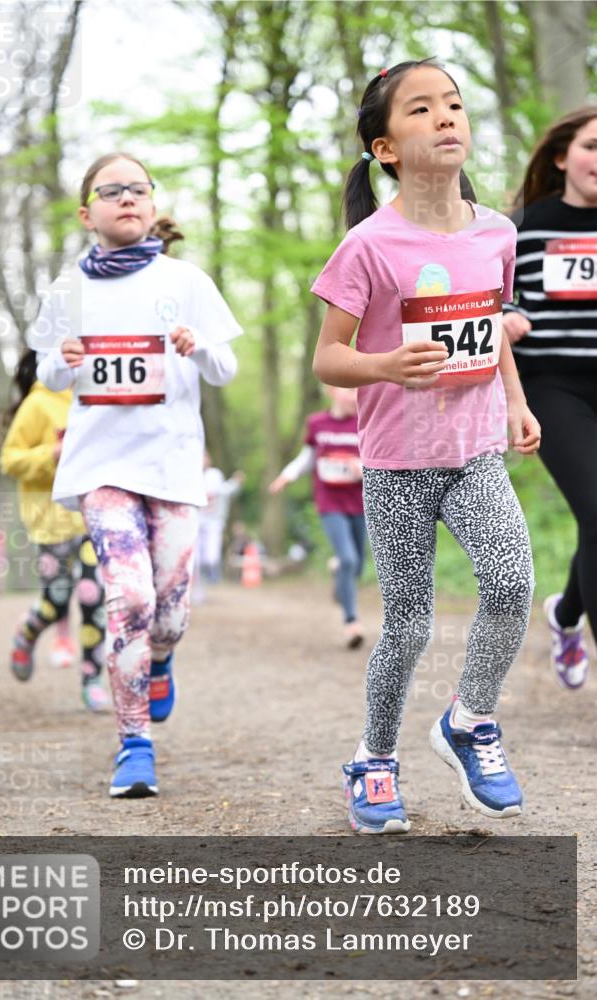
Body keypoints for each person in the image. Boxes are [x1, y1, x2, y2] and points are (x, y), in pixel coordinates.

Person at [311, 59, 540, 834]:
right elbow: (327, 359)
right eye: (419, 109)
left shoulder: (496, 233)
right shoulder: (368, 246)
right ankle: (373, 760)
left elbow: (490, 326)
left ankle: (468, 721)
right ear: (383, 148)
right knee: (407, 626)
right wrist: (385, 366)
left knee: (510, 584)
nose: (444, 117)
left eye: (452, 104)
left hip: (474, 452)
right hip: (396, 464)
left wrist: (515, 402)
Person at [30, 152, 242, 798]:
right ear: (85, 213)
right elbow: (47, 373)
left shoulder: (186, 281)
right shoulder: (67, 289)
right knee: (131, 597)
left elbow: (225, 370)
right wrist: (64, 359)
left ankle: (161, 659)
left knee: (169, 618)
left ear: (151, 204)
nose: (126, 198)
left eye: (138, 189)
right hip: (102, 466)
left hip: (172, 467)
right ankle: (133, 745)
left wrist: (198, 347)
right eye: (110, 190)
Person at [503, 107, 597, 690]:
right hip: (553, 385)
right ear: (562, 156)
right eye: (592, 146)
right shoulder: (525, 226)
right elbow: (493, 292)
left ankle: (565, 615)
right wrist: (507, 314)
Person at [0, 349, 109, 711]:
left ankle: (92, 679)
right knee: (57, 600)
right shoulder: (38, 403)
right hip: (50, 522)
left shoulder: (95, 398)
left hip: (92, 516)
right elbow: (9, 459)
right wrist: (51, 454)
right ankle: (27, 631)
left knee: (93, 596)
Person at [269, 386, 366, 648]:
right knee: (348, 559)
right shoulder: (317, 423)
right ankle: (351, 623)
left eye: (357, 392)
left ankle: (338, 571)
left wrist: (363, 469)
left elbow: (378, 459)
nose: (354, 397)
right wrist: (287, 475)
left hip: (360, 503)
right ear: (332, 391)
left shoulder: (364, 422)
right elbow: (307, 457)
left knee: (357, 566)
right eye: (348, 391)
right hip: (330, 503)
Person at [198, 452, 245, 583]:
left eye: (205, 457)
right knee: (197, 554)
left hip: (214, 520)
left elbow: (224, 490)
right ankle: (199, 579)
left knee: (211, 554)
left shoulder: (215, 474)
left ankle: (212, 575)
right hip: (197, 520)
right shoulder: (191, 474)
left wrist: (236, 483)